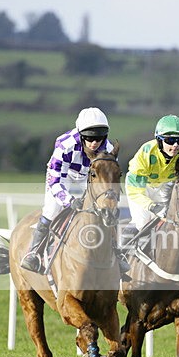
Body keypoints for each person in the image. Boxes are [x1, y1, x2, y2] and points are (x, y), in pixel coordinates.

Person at [20, 107, 127, 273]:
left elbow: (109, 180)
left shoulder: (109, 149)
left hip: (90, 176)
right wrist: (69, 201)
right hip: (65, 176)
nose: (95, 142)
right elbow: (55, 181)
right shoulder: (65, 146)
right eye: (90, 138)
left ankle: (117, 252)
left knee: (107, 210)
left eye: (99, 137)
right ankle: (33, 253)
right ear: (81, 135)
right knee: (52, 209)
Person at [124, 114, 179, 280]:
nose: (175, 146)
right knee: (143, 222)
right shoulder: (146, 153)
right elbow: (136, 191)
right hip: (141, 187)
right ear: (159, 140)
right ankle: (120, 259)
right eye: (170, 141)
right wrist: (153, 206)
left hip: (167, 186)